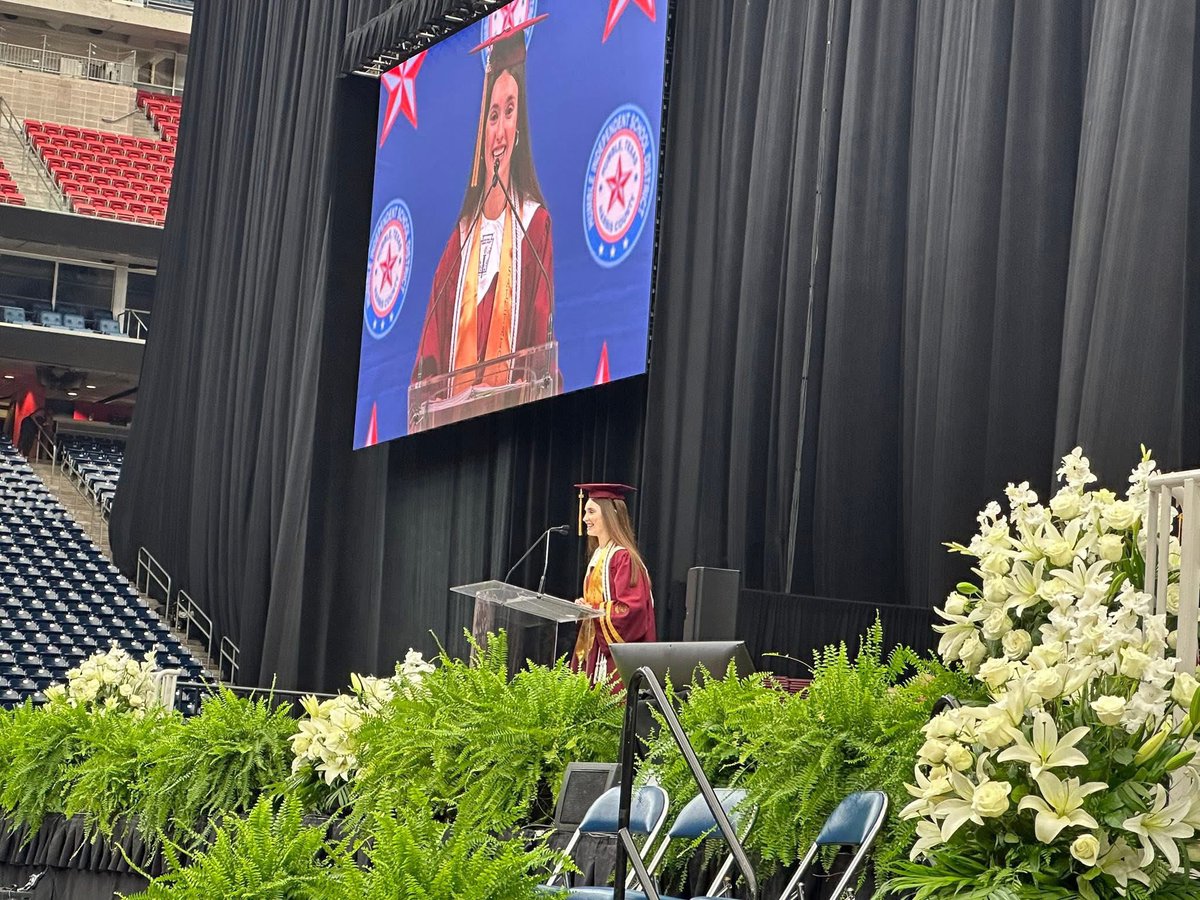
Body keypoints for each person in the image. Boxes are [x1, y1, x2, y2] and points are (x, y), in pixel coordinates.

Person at [412, 14, 557, 395]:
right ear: (483, 130)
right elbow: (427, 361)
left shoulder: (534, 226)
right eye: (493, 115)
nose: (500, 129)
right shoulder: (457, 246)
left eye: (510, 111)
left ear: (520, 127)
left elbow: (539, 340)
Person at [571, 483, 656, 688]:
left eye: (591, 511)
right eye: (585, 512)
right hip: (595, 649)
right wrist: (585, 606)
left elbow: (630, 611)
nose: (585, 519)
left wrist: (591, 610)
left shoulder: (623, 558)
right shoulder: (599, 557)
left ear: (610, 515)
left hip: (614, 660)